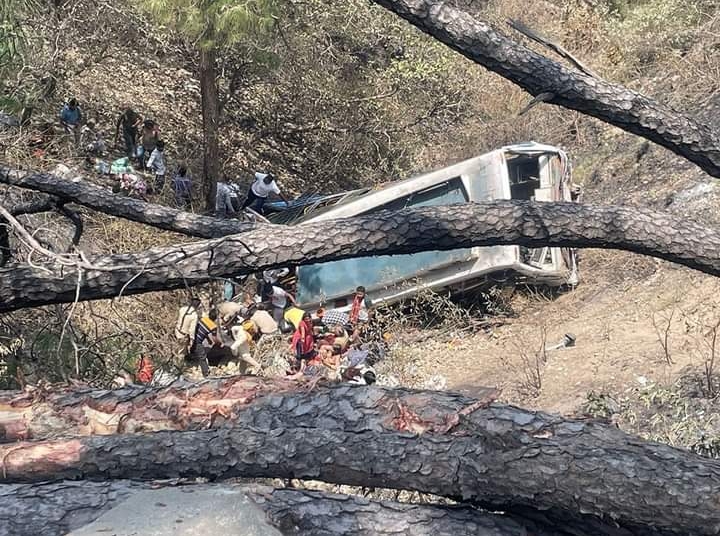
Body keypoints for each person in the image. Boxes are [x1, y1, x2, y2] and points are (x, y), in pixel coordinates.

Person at [189, 308, 222, 377]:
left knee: (193, 350)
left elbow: (202, 330)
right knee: (202, 357)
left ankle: (190, 359)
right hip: (197, 342)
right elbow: (215, 338)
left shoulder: (203, 319)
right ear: (216, 318)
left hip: (191, 338)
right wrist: (220, 344)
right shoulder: (213, 326)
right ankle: (206, 373)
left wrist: (208, 339)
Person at [175, 297, 201, 364]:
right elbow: (192, 330)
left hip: (177, 330)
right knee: (181, 352)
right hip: (183, 335)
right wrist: (192, 340)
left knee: (179, 347)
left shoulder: (182, 309)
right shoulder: (194, 316)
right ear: (197, 306)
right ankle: (179, 364)